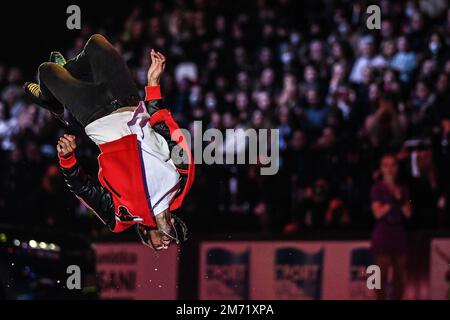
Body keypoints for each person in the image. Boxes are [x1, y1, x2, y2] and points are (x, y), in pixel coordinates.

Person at [23, 34, 194, 250]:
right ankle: (69, 75)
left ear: (144, 236)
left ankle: (51, 100)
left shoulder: (120, 217)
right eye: (170, 241)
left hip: (94, 114)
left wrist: (67, 159)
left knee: (46, 71)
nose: (166, 244)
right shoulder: (181, 180)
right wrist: (153, 85)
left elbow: (83, 189)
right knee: (96, 44)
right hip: (127, 99)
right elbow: (163, 127)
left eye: (159, 247)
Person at [370, 154, 412, 299]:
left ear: (397, 168)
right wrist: (392, 199)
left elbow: (408, 213)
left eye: (393, 165)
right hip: (383, 233)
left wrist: (401, 199)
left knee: (400, 277)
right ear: (381, 168)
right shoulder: (377, 188)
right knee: (379, 278)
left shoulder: (404, 189)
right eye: (386, 165)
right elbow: (377, 213)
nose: (390, 168)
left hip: (399, 233)